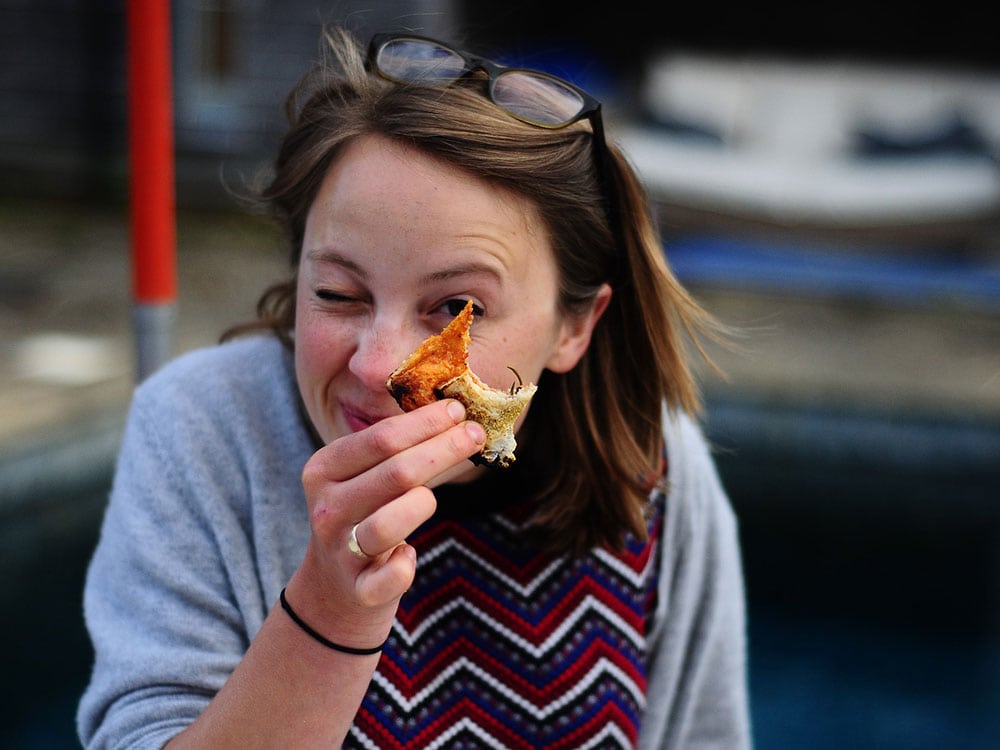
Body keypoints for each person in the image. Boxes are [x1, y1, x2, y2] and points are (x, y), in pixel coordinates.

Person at [77, 25, 752, 749]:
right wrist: (330, 613)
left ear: (574, 328)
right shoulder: (199, 429)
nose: (378, 367)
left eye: (457, 309)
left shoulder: (655, 468)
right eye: (338, 293)